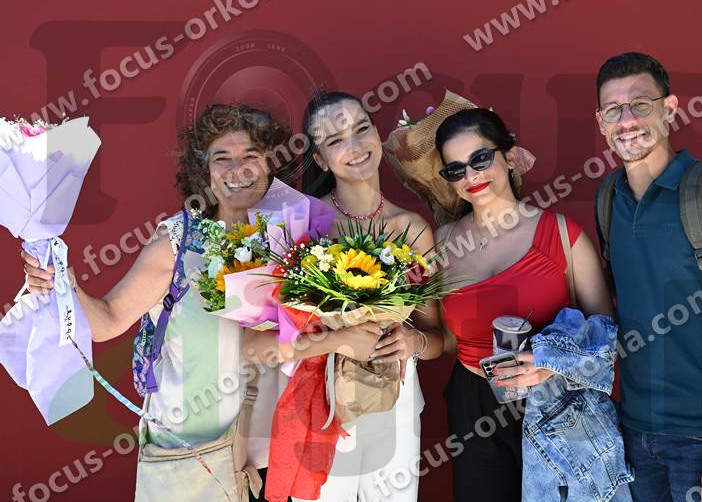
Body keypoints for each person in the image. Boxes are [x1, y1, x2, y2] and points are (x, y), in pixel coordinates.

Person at [20, 103, 375, 501]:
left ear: (269, 163)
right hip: (189, 454)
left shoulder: (294, 242)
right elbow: (107, 321)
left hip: (266, 455)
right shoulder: (178, 242)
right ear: (203, 171)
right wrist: (63, 283)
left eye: (251, 156)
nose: (237, 169)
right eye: (222, 158)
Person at [593, 52, 702, 502]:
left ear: (669, 108)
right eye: (613, 110)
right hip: (633, 435)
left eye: (641, 104)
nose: (626, 121)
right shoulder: (609, 198)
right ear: (601, 122)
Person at [433, 108, 613, 501]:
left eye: (481, 159)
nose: (471, 176)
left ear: (510, 156)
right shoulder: (442, 244)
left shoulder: (562, 234)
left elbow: (607, 335)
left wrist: (550, 364)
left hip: (556, 402)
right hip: (473, 406)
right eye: (456, 169)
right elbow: (446, 340)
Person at [276, 89, 445, 502]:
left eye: (361, 129)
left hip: (395, 402)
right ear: (320, 159)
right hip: (321, 398)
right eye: (335, 140)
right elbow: (273, 340)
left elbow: (437, 337)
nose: (354, 146)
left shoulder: (412, 229)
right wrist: (337, 339)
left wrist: (413, 342)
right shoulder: (302, 226)